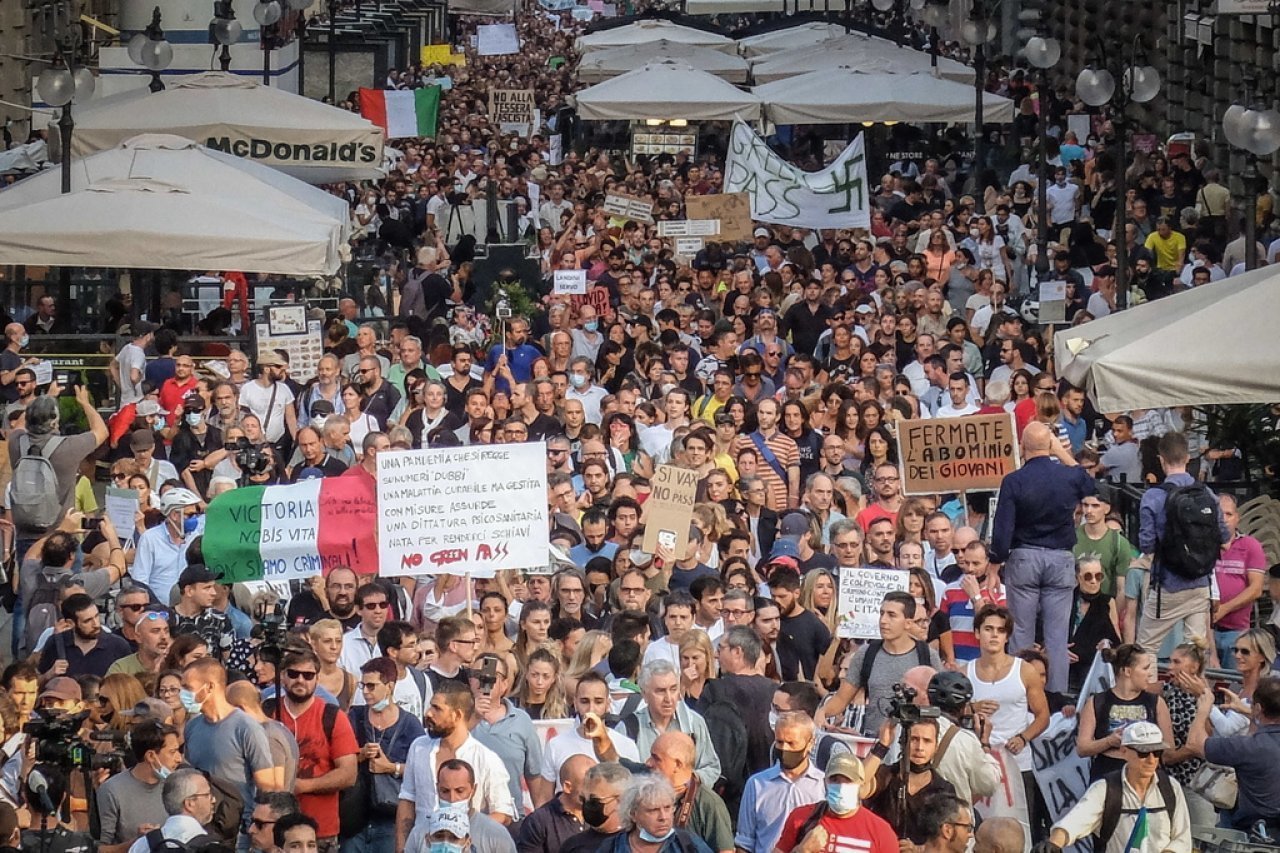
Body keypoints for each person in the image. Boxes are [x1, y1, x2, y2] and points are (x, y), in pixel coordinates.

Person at [989, 422, 1096, 693]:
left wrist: (994, 564)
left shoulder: (1014, 480)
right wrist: (1063, 454)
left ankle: (1020, 695)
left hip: (1024, 557)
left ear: (1022, 447)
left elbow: (1002, 529)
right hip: (1060, 558)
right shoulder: (1067, 476)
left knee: (1021, 634)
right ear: (1050, 445)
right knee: (1057, 638)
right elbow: (1090, 486)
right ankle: (1057, 699)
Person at [1136, 432, 1228, 653]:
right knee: (1195, 648)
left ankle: (1145, 687)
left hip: (1168, 585)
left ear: (1161, 459)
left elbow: (1146, 544)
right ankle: (1193, 687)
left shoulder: (1153, 497)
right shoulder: (1206, 493)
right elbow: (1224, 536)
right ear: (1187, 457)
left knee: (1145, 648)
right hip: (1200, 583)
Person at [396, 682, 515, 850]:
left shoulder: (486, 758)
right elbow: (407, 800)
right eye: (430, 706)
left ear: (457, 715)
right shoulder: (419, 747)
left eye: (437, 708)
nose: (428, 713)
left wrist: (463, 833)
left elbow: (503, 813)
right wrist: (401, 848)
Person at [1043, 721, 1190, 853]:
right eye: (1143, 753)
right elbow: (1075, 821)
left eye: (1157, 752)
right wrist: (1053, 844)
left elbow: (1182, 838)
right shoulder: (1106, 789)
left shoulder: (1170, 787)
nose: (1151, 760)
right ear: (1124, 751)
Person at [821, 592, 943, 736]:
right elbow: (841, 698)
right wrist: (821, 713)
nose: (883, 620)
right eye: (881, 613)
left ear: (908, 623)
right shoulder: (866, 653)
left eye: (891, 615)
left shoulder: (927, 656)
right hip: (873, 740)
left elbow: (940, 706)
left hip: (914, 741)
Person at [181, 659, 279, 833]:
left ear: (209, 687)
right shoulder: (192, 726)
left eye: (188, 687)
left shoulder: (246, 727)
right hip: (200, 828)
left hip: (238, 828)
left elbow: (267, 786)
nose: (183, 694)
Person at [344, 657, 425, 853]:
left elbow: (423, 769)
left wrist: (391, 767)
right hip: (356, 817)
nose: (365, 692)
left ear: (389, 686)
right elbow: (339, 761)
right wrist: (360, 756)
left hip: (391, 817)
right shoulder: (354, 716)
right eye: (363, 686)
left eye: (371, 686)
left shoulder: (409, 724)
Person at [1187, 674, 1280, 835]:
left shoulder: (1247, 747)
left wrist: (1204, 708)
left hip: (1254, 835)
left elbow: (1194, 744)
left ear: (1258, 708)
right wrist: (1247, 710)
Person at [615, 660, 720, 789]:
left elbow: (712, 767)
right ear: (644, 694)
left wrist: (689, 782)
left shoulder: (694, 723)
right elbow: (618, 775)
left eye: (673, 689)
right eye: (660, 691)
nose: (668, 698)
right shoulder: (628, 728)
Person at [735, 711, 826, 853]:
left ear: (810, 744)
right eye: (779, 742)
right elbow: (744, 842)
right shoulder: (756, 784)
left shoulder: (824, 785)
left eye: (791, 743)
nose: (784, 749)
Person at [772, 753, 898, 853]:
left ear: (861, 785)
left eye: (848, 781)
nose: (841, 787)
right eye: (835, 780)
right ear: (825, 782)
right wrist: (803, 850)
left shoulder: (881, 831)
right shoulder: (802, 817)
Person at [861, 717, 957, 845]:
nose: (920, 747)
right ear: (902, 742)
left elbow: (947, 839)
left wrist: (919, 850)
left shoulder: (943, 789)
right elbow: (858, 787)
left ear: (936, 747)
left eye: (927, 741)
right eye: (914, 739)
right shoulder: (886, 775)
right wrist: (882, 746)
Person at [96, 719, 182, 849]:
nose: (179, 758)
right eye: (172, 752)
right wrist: (140, 842)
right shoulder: (112, 790)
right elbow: (101, 848)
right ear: (151, 756)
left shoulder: (179, 785)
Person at [644, 732, 734, 853]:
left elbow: (725, 851)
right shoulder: (645, 793)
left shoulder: (709, 803)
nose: (648, 763)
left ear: (677, 764)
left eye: (656, 758)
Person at [515, 753, 594, 853]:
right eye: (588, 786)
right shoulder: (538, 822)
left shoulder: (604, 814)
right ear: (568, 787)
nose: (595, 791)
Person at [124, 769, 217, 853]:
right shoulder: (211, 847)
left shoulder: (142, 845)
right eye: (207, 795)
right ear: (189, 804)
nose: (213, 800)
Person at [562, 762, 633, 853]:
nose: (587, 804)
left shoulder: (638, 845)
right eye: (583, 799)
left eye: (594, 800)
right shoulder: (573, 847)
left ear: (621, 800)